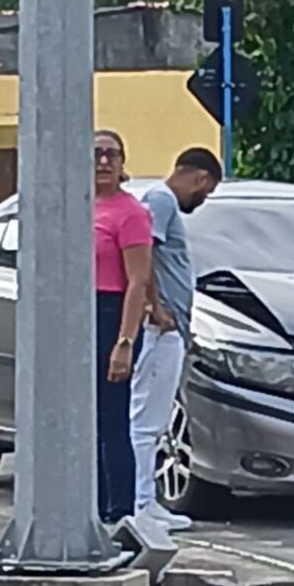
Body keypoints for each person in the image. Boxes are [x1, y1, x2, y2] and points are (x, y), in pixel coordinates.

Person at [130, 147, 223, 535]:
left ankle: (145, 500)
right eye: (207, 190)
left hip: (170, 327)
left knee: (154, 418)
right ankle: (139, 502)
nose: (203, 200)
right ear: (199, 177)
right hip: (160, 328)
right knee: (146, 419)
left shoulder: (160, 201)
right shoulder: (162, 201)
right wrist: (155, 307)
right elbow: (143, 254)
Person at [93, 130, 153, 524]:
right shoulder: (79, 206)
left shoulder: (130, 212)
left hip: (112, 313)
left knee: (112, 420)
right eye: (96, 154)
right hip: (79, 314)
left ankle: (119, 513)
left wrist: (125, 341)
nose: (103, 162)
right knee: (86, 421)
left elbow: (138, 281)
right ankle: (92, 509)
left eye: (111, 154)